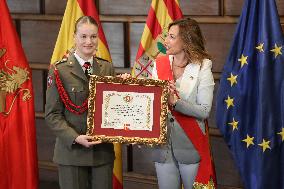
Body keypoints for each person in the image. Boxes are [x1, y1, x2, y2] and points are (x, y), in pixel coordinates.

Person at [45, 16, 115, 189]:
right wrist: (75, 138)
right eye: (83, 36)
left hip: (102, 153)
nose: (88, 41)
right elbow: (52, 115)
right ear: (74, 37)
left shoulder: (106, 68)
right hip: (72, 153)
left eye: (93, 36)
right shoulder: (59, 70)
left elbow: (113, 108)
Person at [151, 18, 216, 189]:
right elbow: (150, 102)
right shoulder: (159, 64)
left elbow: (204, 110)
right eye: (168, 36)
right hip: (163, 146)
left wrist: (176, 102)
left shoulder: (203, 67)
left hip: (190, 146)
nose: (166, 41)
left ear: (186, 40)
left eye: (172, 37)